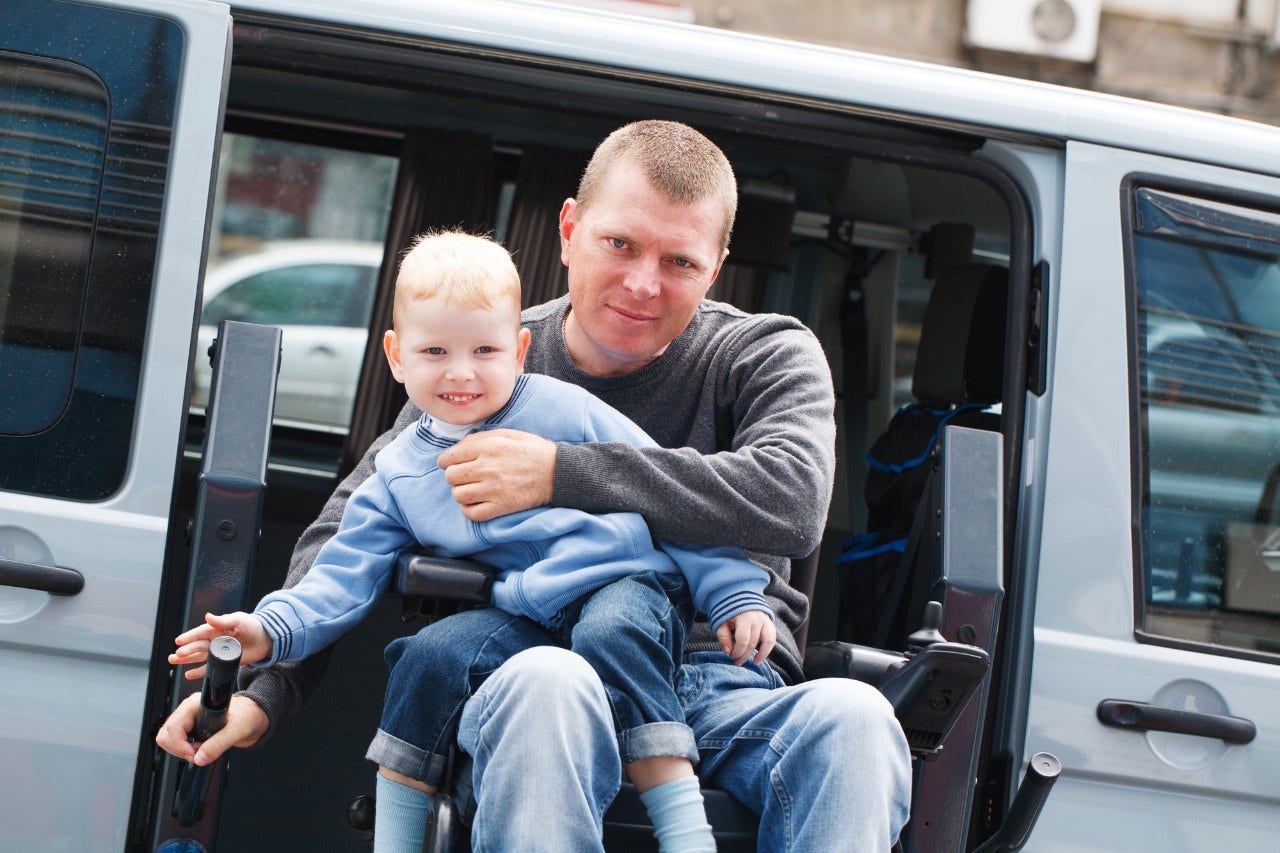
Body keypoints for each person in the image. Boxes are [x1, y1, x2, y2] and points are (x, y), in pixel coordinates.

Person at [157, 120, 912, 851]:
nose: (642, 283)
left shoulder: (763, 353)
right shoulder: (481, 356)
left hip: (720, 679)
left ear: (716, 265)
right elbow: (352, 528)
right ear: (569, 228)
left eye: (679, 261)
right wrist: (262, 689)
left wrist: (561, 472)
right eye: (619, 243)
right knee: (549, 680)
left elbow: (791, 498)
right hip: (539, 664)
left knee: (857, 717)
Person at [170, 230, 776, 852]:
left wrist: (735, 595)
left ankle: (683, 831)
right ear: (396, 356)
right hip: (526, 611)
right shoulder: (399, 473)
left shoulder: (565, 410)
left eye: (484, 350)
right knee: (427, 657)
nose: (461, 373)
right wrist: (269, 630)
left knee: (610, 632)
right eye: (435, 350)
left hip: (627, 587)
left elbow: (672, 502)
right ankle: (398, 839)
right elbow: (338, 576)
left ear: (519, 350)